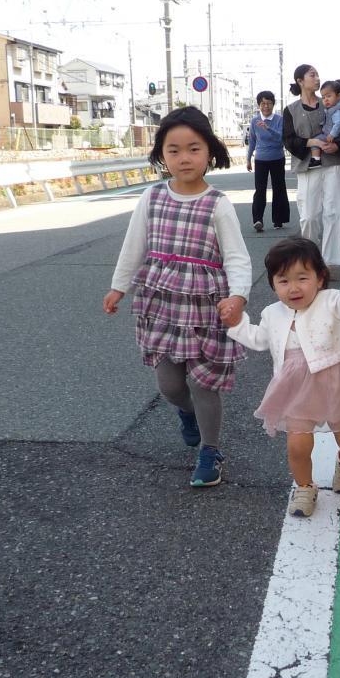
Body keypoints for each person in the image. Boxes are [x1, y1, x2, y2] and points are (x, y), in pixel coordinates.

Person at [104, 107, 251, 489]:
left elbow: (236, 256)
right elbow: (133, 246)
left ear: (210, 152)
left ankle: (210, 450)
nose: (184, 158)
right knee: (169, 385)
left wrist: (238, 297)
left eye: (193, 148)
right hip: (163, 305)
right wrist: (119, 286)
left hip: (205, 308)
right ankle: (187, 413)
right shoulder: (152, 197)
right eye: (174, 150)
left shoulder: (217, 203)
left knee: (204, 384)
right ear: (161, 155)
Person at [221, 237, 340, 518]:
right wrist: (237, 324)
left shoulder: (331, 301)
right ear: (273, 285)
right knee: (298, 446)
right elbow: (258, 339)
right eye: (283, 281)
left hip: (336, 383)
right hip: (295, 389)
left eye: (302, 278)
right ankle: (305, 487)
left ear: (320, 278)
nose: (293, 288)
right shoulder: (272, 313)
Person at [282, 64, 340, 273]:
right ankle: (309, 259)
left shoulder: (330, 102)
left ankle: (331, 262)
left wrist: (338, 146)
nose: (317, 78)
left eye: (318, 75)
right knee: (309, 216)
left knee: (333, 212)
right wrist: (310, 142)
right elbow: (288, 139)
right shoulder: (291, 110)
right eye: (312, 75)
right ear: (300, 81)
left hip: (333, 163)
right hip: (307, 166)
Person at [246, 90, 289, 232]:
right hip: (260, 159)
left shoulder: (279, 119)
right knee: (260, 190)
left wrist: (268, 128)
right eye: (263, 103)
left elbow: (281, 138)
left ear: (273, 104)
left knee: (279, 189)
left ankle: (278, 220)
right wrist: (248, 159)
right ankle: (258, 220)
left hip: (277, 158)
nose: (266, 106)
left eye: (269, 103)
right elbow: (252, 141)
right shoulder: (254, 121)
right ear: (259, 105)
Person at [306, 79, 340, 169]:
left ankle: (316, 159)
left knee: (316, 140)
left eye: (329, 96)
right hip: (335, 136)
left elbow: (338, 123)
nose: (326, 99)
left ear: (339, 96)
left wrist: (332, 134)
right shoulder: (334, 108)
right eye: (323, 97)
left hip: (333, 136)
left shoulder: (338, 109)